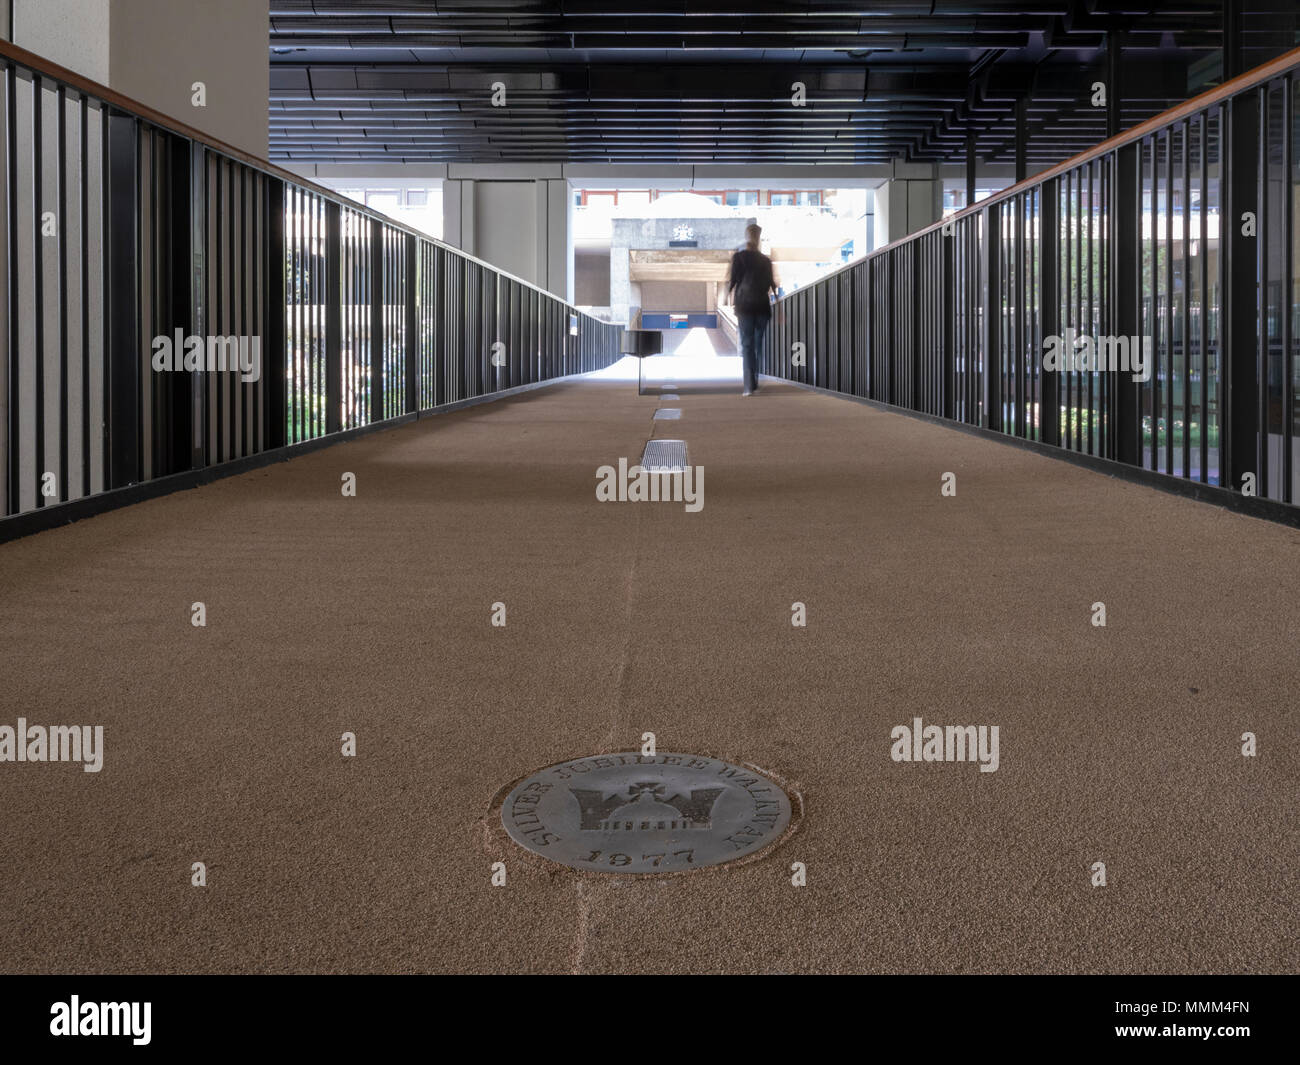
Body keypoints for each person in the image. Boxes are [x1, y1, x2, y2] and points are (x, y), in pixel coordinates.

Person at [727, 223, 776, 396]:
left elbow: (733, 281)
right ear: (758, 237)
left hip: (745, 306)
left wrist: (730, 298)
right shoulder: (765, 260)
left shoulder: (739, 257)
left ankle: (749, 385)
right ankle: (753, 380)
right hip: (762, 306)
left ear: (747, 236)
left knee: (747, 344)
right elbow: (772, 284)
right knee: (757, 345)